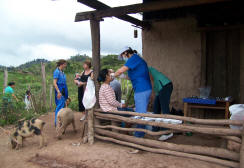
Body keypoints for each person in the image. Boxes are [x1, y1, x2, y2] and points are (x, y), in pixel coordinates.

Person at [113, 47, 152, 138]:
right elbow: (132, 77)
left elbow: (120, 70)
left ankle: (139, 137)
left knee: (140, 114)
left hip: (142, 89)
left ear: (126, 53)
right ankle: (139, 134)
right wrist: (123, 76)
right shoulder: (136, 60)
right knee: (140, 112)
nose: (123, 58)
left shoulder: (133, 58)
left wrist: (112, 75)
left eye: (123, 55)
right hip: (141, 88)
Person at [148, 66, 173, 141]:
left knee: (164, 109)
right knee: (156, 108)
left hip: (165, 86)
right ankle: (155, 129)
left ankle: (167, 132)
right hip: (159, 89)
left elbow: (151, 80)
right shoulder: (144, 70)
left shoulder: (146, 68)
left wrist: (151, 93)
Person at [53, 59, 68, 126]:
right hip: (59, 90)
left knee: (63, 106)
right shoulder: (57, 72)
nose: (66, 65)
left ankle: (61, 121)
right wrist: (58, 92)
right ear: (62, 64)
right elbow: (54, 83)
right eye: (65, 64)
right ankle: (57, 123)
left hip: (64, 90)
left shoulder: (62, 72)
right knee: (59, 106)